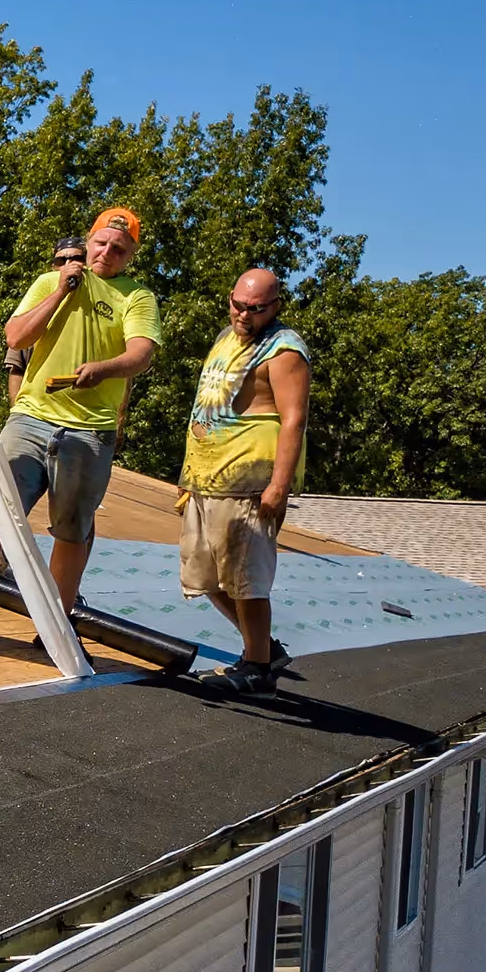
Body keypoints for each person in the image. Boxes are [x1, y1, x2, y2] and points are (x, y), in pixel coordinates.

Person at [0, 209, 161, 627]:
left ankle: (55, 622)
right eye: (101, 243)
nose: (107, 252)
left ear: (130, 256)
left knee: (71, 528)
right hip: (31, 417)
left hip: (89, 430)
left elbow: (141, 354)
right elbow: (17, 336)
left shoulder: (136, 297)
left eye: (119, 249)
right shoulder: (49, 282)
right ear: (88, 241)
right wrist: (60, 292)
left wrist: (103, 369)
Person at [180, 268, 314, 697]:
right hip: (207, 477)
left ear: (275, 306)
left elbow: (294, 419)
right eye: (238, 305)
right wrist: (187, 474)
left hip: (249, 481)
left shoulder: (284, 349)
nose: (244, 314)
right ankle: (265, 650)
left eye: (255, 309)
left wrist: (279, 485)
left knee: (245, 579)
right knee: (205, 577)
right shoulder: (226, 338)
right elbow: (205, 406)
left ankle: (257, 669)